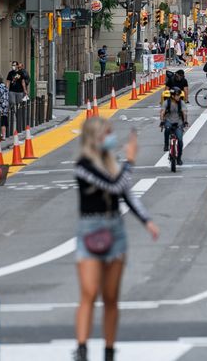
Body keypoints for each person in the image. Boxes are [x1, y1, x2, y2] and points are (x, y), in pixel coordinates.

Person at [73, 120, 159, 361]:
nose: (111, 138)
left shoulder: (111, 165)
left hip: (115, 230)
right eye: (107, 134)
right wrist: (129, 162)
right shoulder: (83, 166)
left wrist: (147, 221)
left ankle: (109, 350)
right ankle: (82, 349)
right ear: (94, 138)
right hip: (90, 229)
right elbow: (113, 187)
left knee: (111, 296)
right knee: (89, 292)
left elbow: (126, 194)